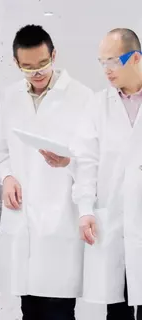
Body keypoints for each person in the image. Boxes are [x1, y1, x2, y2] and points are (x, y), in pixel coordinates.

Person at [0, 25, 93, 320]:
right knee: (30, 309)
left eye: (43, 64)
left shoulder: (82, 97)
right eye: (27, 67)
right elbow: (0, 151)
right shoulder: (8, 98)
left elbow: (91, 159)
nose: (36, 73)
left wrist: (69, 161)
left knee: (58, 310)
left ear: (54, 55)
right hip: (22, 219)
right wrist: (7, 176)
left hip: (60, 218)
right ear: (16, 63)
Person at [72, 28, 142, 320]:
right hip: (114, 220)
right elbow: (85, 161)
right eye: (102, 62)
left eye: (113, 61)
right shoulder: (98, 105)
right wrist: (85, 209)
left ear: (135, 58)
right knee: (119, 307)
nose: (106, 70)